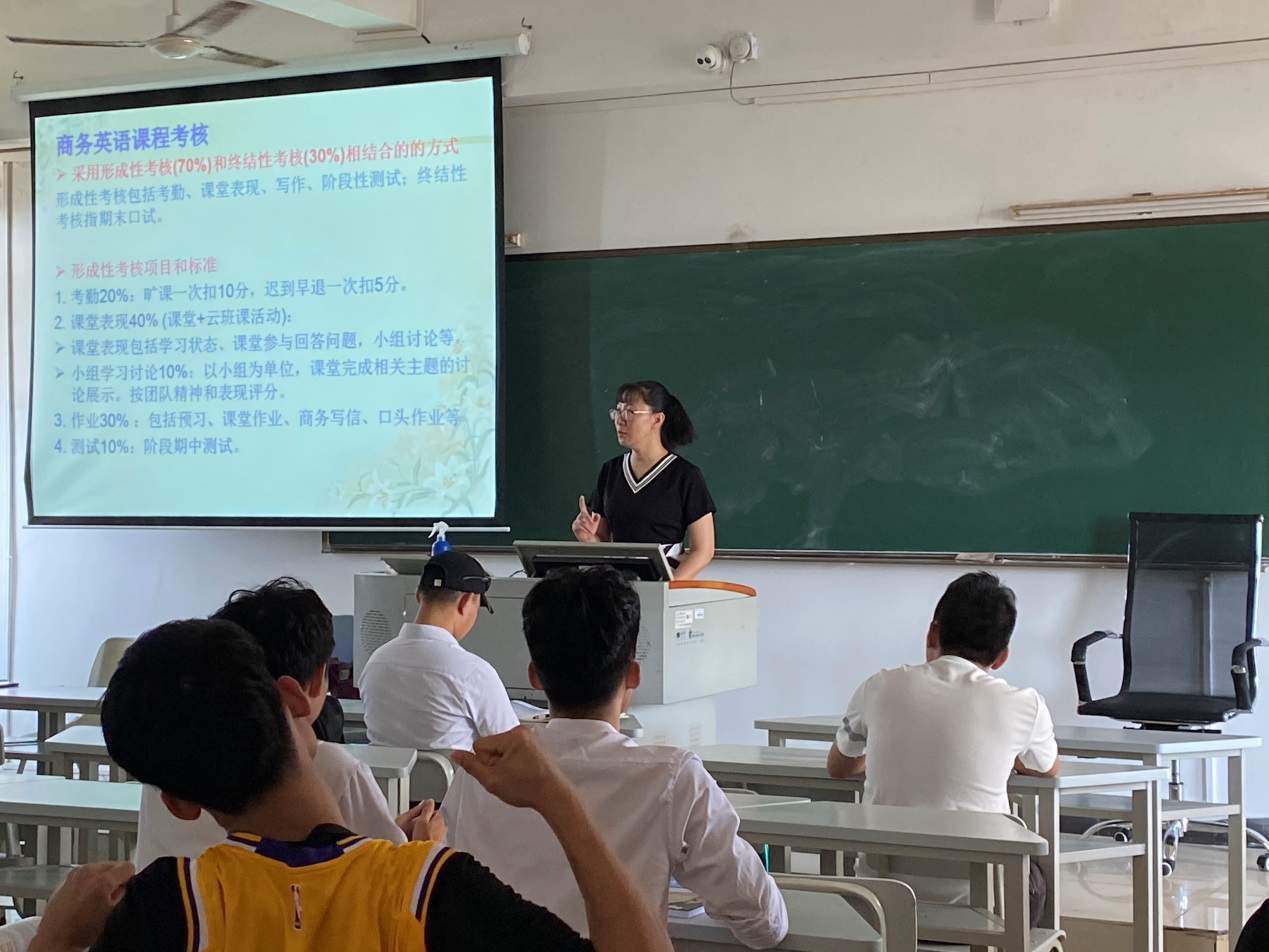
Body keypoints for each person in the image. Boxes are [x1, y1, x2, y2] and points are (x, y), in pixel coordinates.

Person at [27, 619, 674, 952]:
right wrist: (556, 797)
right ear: (295, 697)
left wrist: (56, 938)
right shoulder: (432, 890)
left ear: (178, 801)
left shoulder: (168, 907)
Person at [443, 566, 787, 948]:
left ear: (534, 676)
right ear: (633, 674)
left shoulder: (483, 770)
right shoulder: (672, 779)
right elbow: (764, 924)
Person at [134, 578, 418, 870]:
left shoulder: (171, 763)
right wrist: (420, 844)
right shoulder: (336, 769)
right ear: (316, 679)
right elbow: (394, 878)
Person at [825, 571, 1057, 922]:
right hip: (987, 903)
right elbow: (1047, 768)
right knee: (1036, 875)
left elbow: (838, 767)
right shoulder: (1024, 704)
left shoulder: (879, 686)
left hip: (882, 900)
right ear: (1002, 656)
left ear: (932, 632)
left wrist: (887, 753)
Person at [358, 550, 518, 752]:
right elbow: (514, 751)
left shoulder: (375, 663)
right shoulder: (473, 674)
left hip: (381, 775)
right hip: (456, 774)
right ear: (465, 602)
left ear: (418, 595)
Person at [572, 380, 716, 580]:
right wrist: (589, 539)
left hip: (665, 578)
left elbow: (703, 550)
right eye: (617, 411)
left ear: (657, 419)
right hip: (619, 584)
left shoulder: (685, 475)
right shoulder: (611, 470)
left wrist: (668, 587)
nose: (620, 420)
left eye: (630, 412)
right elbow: (603, 542)